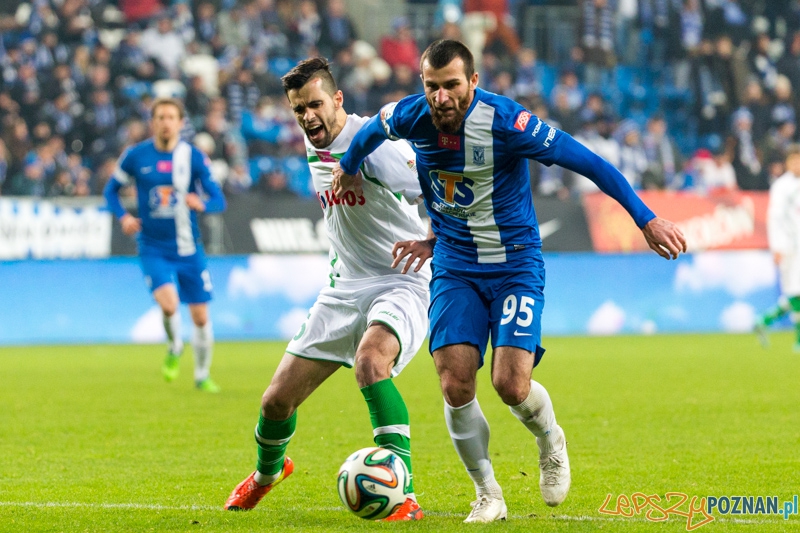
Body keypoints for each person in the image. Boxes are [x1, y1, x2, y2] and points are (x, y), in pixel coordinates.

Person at [333, 39, 687, 523]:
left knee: (510, 383)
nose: (441, 97)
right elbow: (370, 132)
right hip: (456, 266)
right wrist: (349, 169)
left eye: (452, 85)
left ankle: (550, 439)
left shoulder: (508, 122)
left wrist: (645, 220)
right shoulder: (410, 115)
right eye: (432, 87)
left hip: (515, 262)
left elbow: (591, 163)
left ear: (473, 82)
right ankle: (488, 494)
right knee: (455, 383)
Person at [223, 58, 431, 521]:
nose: (308, 117)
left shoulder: (377, 148)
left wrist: (434, 239)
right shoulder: (312, 136)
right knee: (275, 402)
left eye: (316, 105)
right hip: (342, 290)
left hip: (400, 280)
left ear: (339, 100)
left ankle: (406, 491)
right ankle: (267, 475)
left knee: (371, 363)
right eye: (299, 110)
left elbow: (435, 186)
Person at [103, 97, 226, 393]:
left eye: (171, 117)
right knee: (169, 304)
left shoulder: (193, 157)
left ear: (181, 123)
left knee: (200, 316)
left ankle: (201, 375)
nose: (166, 122)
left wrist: (202, 203)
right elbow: (111, 192)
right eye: (160, 117)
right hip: (153, 247)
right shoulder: (136, 156)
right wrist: (123, 217)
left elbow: (218, 200)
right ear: (153, 122)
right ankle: (174, 345)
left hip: (188, 248)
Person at [755, 145, 800, 351]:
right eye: (794, 160)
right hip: (789, 246)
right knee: (795, 292)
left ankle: (764, 320)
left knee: (795, 294)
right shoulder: (781, 187)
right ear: (788, 163)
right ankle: (798, 341)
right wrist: (777, 247)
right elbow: (774, 219)